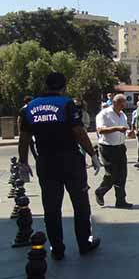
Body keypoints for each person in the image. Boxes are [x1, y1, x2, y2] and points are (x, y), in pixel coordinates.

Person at [17, 72, 101, 260]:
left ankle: (57, 248)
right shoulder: (66, 104)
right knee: (81, 205)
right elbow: (78, 132)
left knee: (51, 208)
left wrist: (23, 162)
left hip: (46, 162)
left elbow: (24, 139)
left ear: (45, 86)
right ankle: (84, 242)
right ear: (63, 86)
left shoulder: (29, 108)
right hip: (70, 160)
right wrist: (93, 154)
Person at [94, 94, 133, 209]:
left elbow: (125, 130)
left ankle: (120, 200)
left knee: (122, 175)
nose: (123, 105)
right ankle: (100, 192)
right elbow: (100, 130)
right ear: (114, 102)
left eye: (124, 103)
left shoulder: (122, 115)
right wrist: (116, 128)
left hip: (120, 147)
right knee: (111, 175)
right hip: (108, 148)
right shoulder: (104, 114)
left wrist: (129, 133)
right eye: (121, 103)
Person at [17, 95, 38, 162]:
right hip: (27, 131)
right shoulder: (26, 109)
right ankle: (23, 161)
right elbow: (19, 120)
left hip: (26, 131)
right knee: (26, 147)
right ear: (28, 101)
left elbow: (19, 121)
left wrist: (19, 131)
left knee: (24, 147)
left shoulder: (23, 109)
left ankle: (23, 161)